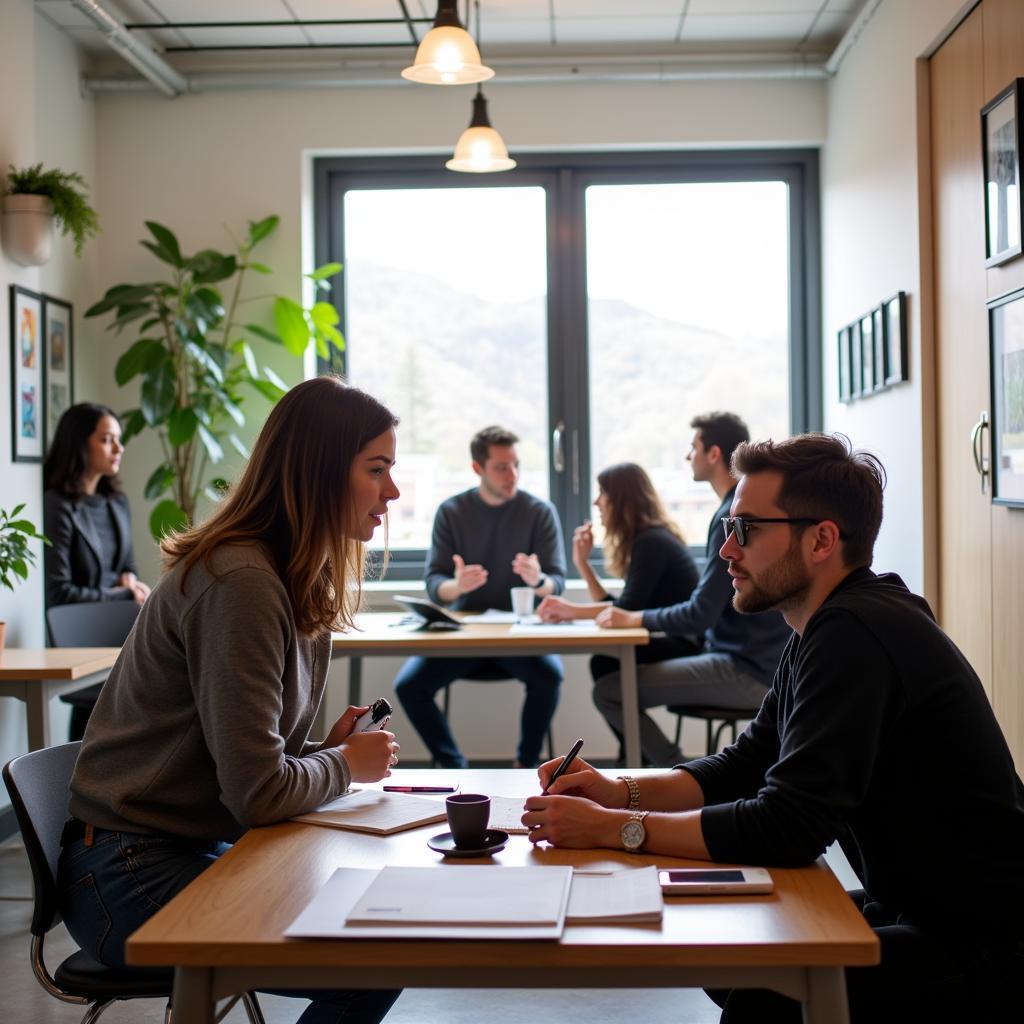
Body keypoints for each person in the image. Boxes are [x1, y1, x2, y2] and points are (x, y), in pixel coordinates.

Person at [522, 433, 1024, 1024]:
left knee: (767, 999)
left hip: (987, 941)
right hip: (919, 907)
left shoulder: (855, 634)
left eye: (748, 530)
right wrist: (618, 792)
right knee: (729, 948)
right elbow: (747, 763)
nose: (726, 551)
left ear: (822, 540)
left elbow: (788, 826)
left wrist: (617, 830)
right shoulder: (826, 624)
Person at [58, 377, 404, 1024]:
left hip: (182, 848)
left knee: (375, 938)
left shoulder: (284, 576)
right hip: (126, 874)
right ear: (319, 473)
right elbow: (257, 795)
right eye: (377, 469)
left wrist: (324, 753)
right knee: (369, 962)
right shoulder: (242, 584)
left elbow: (248, 761)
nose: (392, 492)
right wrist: (345, 766)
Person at [589, 413, 791, 765]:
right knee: (608, 674)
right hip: (758, 662)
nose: (688, 457)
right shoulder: (737, 511)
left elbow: (700, 614)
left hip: (747, 669)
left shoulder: (730, 516)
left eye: (692, 447)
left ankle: (676, 771)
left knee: (609, 691)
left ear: (713, 454)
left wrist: (634, 618)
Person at [394, 425, 567, 769]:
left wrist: (538, 581)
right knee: (408, 686)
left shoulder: (539, 512)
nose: (512, 475)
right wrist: (456, 587)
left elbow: (557, 583)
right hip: (464, 637)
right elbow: (434, 584)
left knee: (550, 676)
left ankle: (526, 765)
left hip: (519, 637)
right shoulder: (452, 511)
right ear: (478, 468)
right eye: (502, 467)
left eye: (516, 465)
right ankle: (454, 765)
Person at [536, 461, 701, 684]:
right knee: (604, 663)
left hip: (686, 643)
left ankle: (632, 720)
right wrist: (582, 563)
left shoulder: (652, 542)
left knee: (605, 664)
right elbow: (621, 608)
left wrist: (571, 610)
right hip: (676, 638)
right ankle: (631, 719)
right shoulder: (646, 540)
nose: (596, 502)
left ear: (622, 500)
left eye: (603, 493)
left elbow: (624, 610)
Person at [43, 402, 151, 740]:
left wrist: (128, 586)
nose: (118, 448)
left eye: (118, 439)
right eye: (107, 439)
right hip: (79, 637)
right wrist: (121, 592)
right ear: (79, 444)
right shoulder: (56, 505)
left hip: (120, 630)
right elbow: (60, 593)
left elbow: (129, 570)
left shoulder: (116, 502)